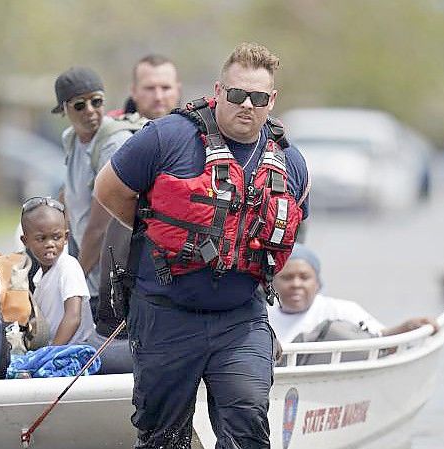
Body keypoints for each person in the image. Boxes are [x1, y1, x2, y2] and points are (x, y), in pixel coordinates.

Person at [95, 43, 310, 449]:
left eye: (258, 98)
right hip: (166, 314)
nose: (246, 104)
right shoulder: (166, 137)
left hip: (240, 318)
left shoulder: (290, 161)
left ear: (272, 101)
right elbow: (108, 189)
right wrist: (155, 231)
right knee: (163, 436)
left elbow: (294, 226)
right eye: (236, 94)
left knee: (247, 422)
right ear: (218, 90)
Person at [88, 54, 182, 375]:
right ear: (134, 90)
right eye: (150, 87)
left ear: (178, 89)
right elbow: (99, 218)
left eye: (166, 87)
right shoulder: (117, 137)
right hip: (112, 272)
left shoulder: (196, 136)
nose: (159, 96)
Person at [52, 67, 134, 315]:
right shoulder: (71, 139)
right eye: (79, 105)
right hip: (84, 261)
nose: (90, 111)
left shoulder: (113, 143)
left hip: (109, 276)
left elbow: (100, 227)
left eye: (96, 101)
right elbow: (70, 192)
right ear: (63, 109)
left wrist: (73, 283)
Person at [268, 244, 438, 345]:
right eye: (287, 278)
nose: (296, 284)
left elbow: (381, 339)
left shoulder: (340, 310)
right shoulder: (261, 318)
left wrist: (407, 327)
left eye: (304, 277)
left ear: (317, 282)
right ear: (272, 282)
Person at [20, 196, 94, 345]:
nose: (50, 244)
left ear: (66, 237)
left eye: (56, 237)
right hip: (55, 347)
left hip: (77, 348)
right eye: (41, 239)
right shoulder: (38, 277)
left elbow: (73, 317)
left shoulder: (68, 266)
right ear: (25, 241)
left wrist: (51, 353)